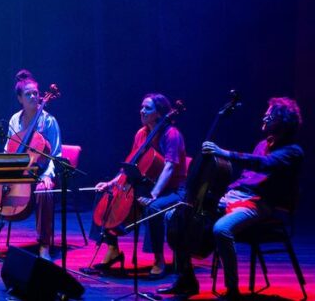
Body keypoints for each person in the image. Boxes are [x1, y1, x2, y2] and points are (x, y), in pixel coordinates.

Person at [159, 96, 303, 300]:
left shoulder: (293, 151)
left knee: (222, 229)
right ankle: (186, 280)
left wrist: (223, 153)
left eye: (269, 114)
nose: (264, 116)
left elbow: (263, 164)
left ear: (281, 121)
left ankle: (232, 291)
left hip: (264, 204)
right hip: (240, 197)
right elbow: (246, 177)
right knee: (174, 216)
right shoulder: (262, 144)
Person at [88, 93, 187, 278]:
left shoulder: (171, 134)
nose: (142, 111)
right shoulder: (141, 134)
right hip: (146, 185)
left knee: (153, 207)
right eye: (142, 107)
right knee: (104, 195)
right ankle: (112, 251)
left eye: (147, 108)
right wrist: (111, 183)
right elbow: (131, 165)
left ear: (159, 113)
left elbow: (169, 167)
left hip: (173, 190)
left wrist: (154, 194)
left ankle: (158, 260)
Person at [0, 70, 61, 260]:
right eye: (28, 94)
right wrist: (0, 172)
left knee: (45, 192)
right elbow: (8, 151)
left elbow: (55, 154)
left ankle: (44, 245)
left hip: (40, 173)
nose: (33, 96)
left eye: (35, 93)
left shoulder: (49, 121)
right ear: (20, 98)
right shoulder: (14, 120)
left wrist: (47, 176)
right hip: (17, 172)